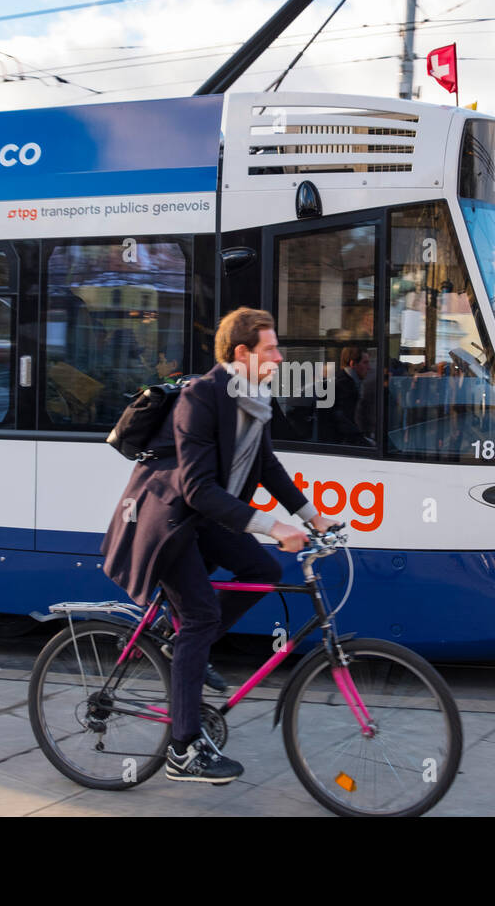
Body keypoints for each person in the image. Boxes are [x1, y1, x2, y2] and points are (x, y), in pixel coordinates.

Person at [100, 307, 335, 784]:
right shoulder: (201, 396)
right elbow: (197, 489)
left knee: (264, 572)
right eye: (271, 348)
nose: (280, 356)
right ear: (242, 352)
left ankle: (184, 644)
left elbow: (266, 466)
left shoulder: (253, 400)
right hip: (168, 521)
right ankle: (182, 752)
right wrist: (272, 527)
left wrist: (313, 516)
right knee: (203, 614)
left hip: (204, 519)